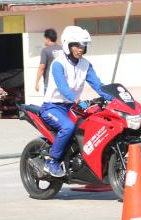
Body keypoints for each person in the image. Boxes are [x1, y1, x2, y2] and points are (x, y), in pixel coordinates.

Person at [38, 25, 112, 177]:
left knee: (92, 124)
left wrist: (114, 98)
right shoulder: (58, 63)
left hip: (72, 107)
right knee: (68, 127)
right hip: (52, 107)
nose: (80, 49)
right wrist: (75, 98)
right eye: (76, 46)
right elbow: (62, 86)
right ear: (68, 45)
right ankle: (52, 162)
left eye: (82, 46)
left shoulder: (86, 65)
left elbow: (98, 85)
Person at [34, 28, 64, 94]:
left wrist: (37, 82)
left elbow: (41, 67)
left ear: (47, 39)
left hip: (49, 84)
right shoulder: (63, 49)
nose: (44, 41)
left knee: (49, 101)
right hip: (63, 83)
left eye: (44, 39)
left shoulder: (45, 50)